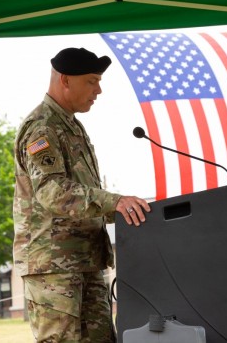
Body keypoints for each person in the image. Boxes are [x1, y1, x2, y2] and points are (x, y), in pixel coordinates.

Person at [13, 47, 151, 343]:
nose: (99, 90)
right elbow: (52, 192)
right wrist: (115, 201)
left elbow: (83, 197)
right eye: (91, 81)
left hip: (85, 261)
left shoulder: (72, 127)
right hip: (54, 268)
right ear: (65, 79)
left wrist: (129, 209)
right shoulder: (42, 128)